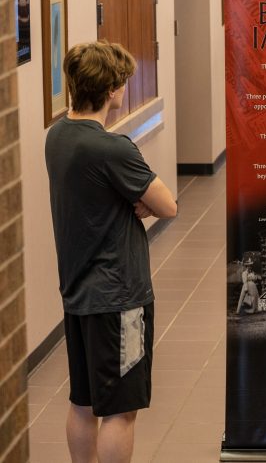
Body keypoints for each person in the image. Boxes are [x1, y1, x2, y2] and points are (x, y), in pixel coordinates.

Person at [45, 40, 177, 463]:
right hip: (119, 298)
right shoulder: (113, 149)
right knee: (121, 409)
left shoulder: (59, 135)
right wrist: (136, 202)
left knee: (83, 400)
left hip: (79, 292)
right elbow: (168, 206)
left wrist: (131, 200)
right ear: (113, 89)